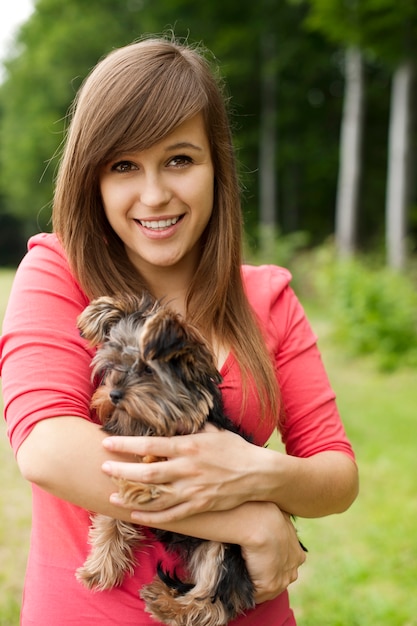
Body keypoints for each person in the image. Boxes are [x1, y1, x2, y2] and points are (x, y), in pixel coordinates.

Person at [0, 35, 358, 626]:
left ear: (216, 163)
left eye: (179, 159)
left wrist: (256, 472)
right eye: (123, 166)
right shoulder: (58, 270)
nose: (154, 194)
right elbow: (50, 450)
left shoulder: (267, 296)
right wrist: (247, 519)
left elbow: (336, 475)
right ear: (92, 178)